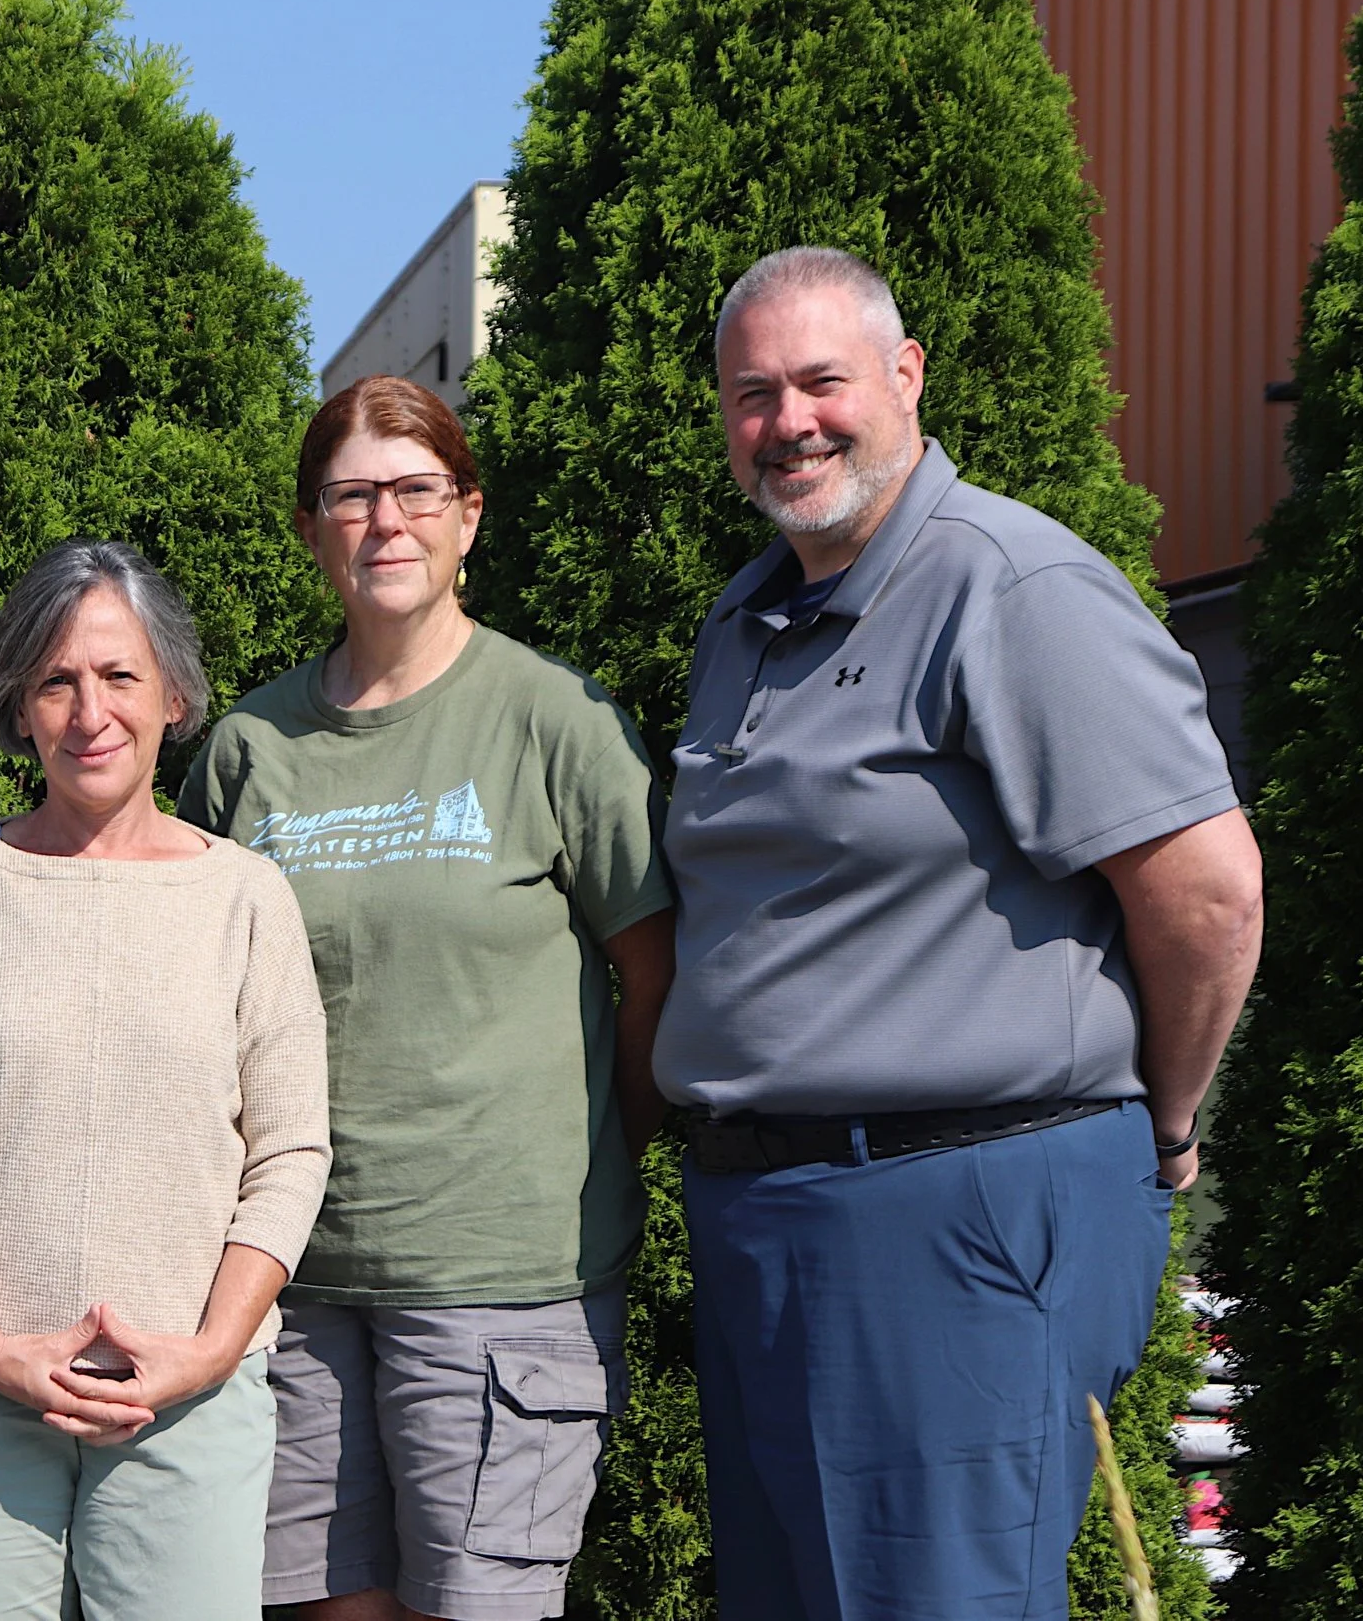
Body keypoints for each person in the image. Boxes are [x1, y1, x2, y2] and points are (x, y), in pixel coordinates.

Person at [660, 246, 1264, 1621]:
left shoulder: (1012, 586)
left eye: (822, 380)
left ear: (907, 375)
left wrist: (1163, 1121)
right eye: (752, 394)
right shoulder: (749, 618)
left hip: (958, 1207)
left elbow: (1210, 891)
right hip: (777, 1215)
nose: (790, 421)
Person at [178, 374, 678, 1621]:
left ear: (467, 515)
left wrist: (580, 1144)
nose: (384, 522)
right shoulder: (249, 749)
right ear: (310, 528)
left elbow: (656, 976)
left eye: (415, 491)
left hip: (502, 1276)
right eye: (352, 495)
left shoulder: (556, 719)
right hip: (285, 1279)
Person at [0, 538, 331, 1621]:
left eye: (119, 675)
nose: (89, 709)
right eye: (56, 679)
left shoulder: (246, 899)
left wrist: (207, 1350)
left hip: (189, 1394)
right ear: (20, 707)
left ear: (173, 693)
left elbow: (292, 1151)